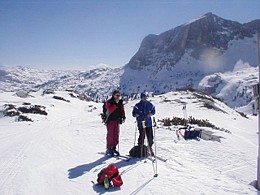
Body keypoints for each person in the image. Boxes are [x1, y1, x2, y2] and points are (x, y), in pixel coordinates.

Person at [105, 90, 126, 156]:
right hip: (110, 120)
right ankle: (109, 148)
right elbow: (110, 109)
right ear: (113, 95)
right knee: (110, 135)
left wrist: (123, 117)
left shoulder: (120, 102)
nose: (118, 97)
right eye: (117, 95)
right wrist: (115, 104)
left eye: (119, 95)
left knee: (116, 134)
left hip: (116, 120)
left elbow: (122, 110)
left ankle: (114, 147)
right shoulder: (109, 102)